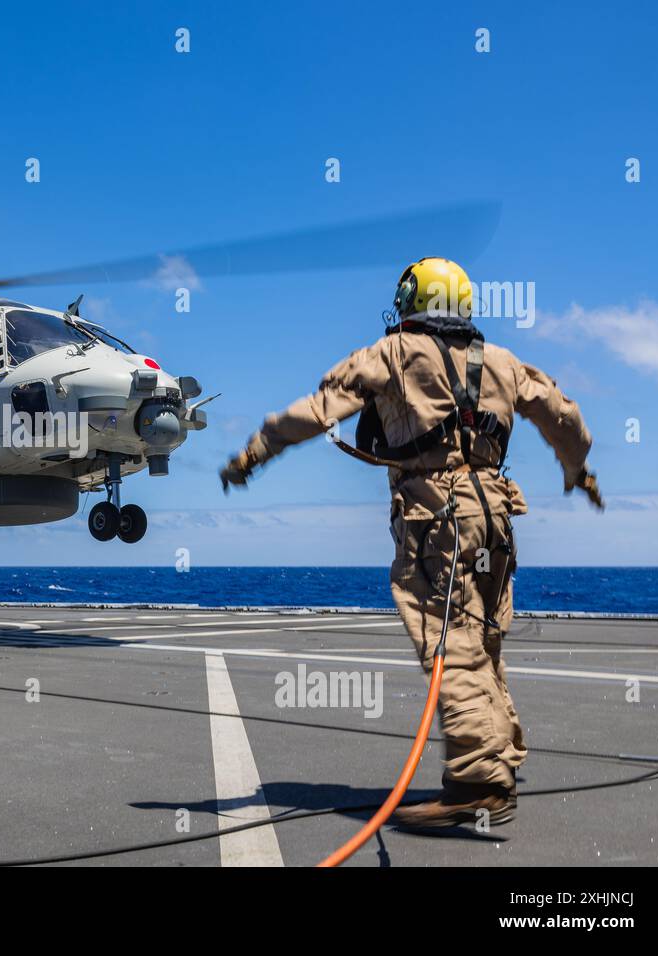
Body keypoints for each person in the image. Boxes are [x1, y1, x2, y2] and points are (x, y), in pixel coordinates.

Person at [219, 257, 603, 828]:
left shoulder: (394, 354)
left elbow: (319, 409)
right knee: (484, 642)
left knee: (449, 644)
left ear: (411, 301)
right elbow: (564, 417)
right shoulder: (502, 362)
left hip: (436, 519)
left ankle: (478, 782)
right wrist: (579, 472)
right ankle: (499, 759)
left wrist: (254, 452)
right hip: (496, 516)